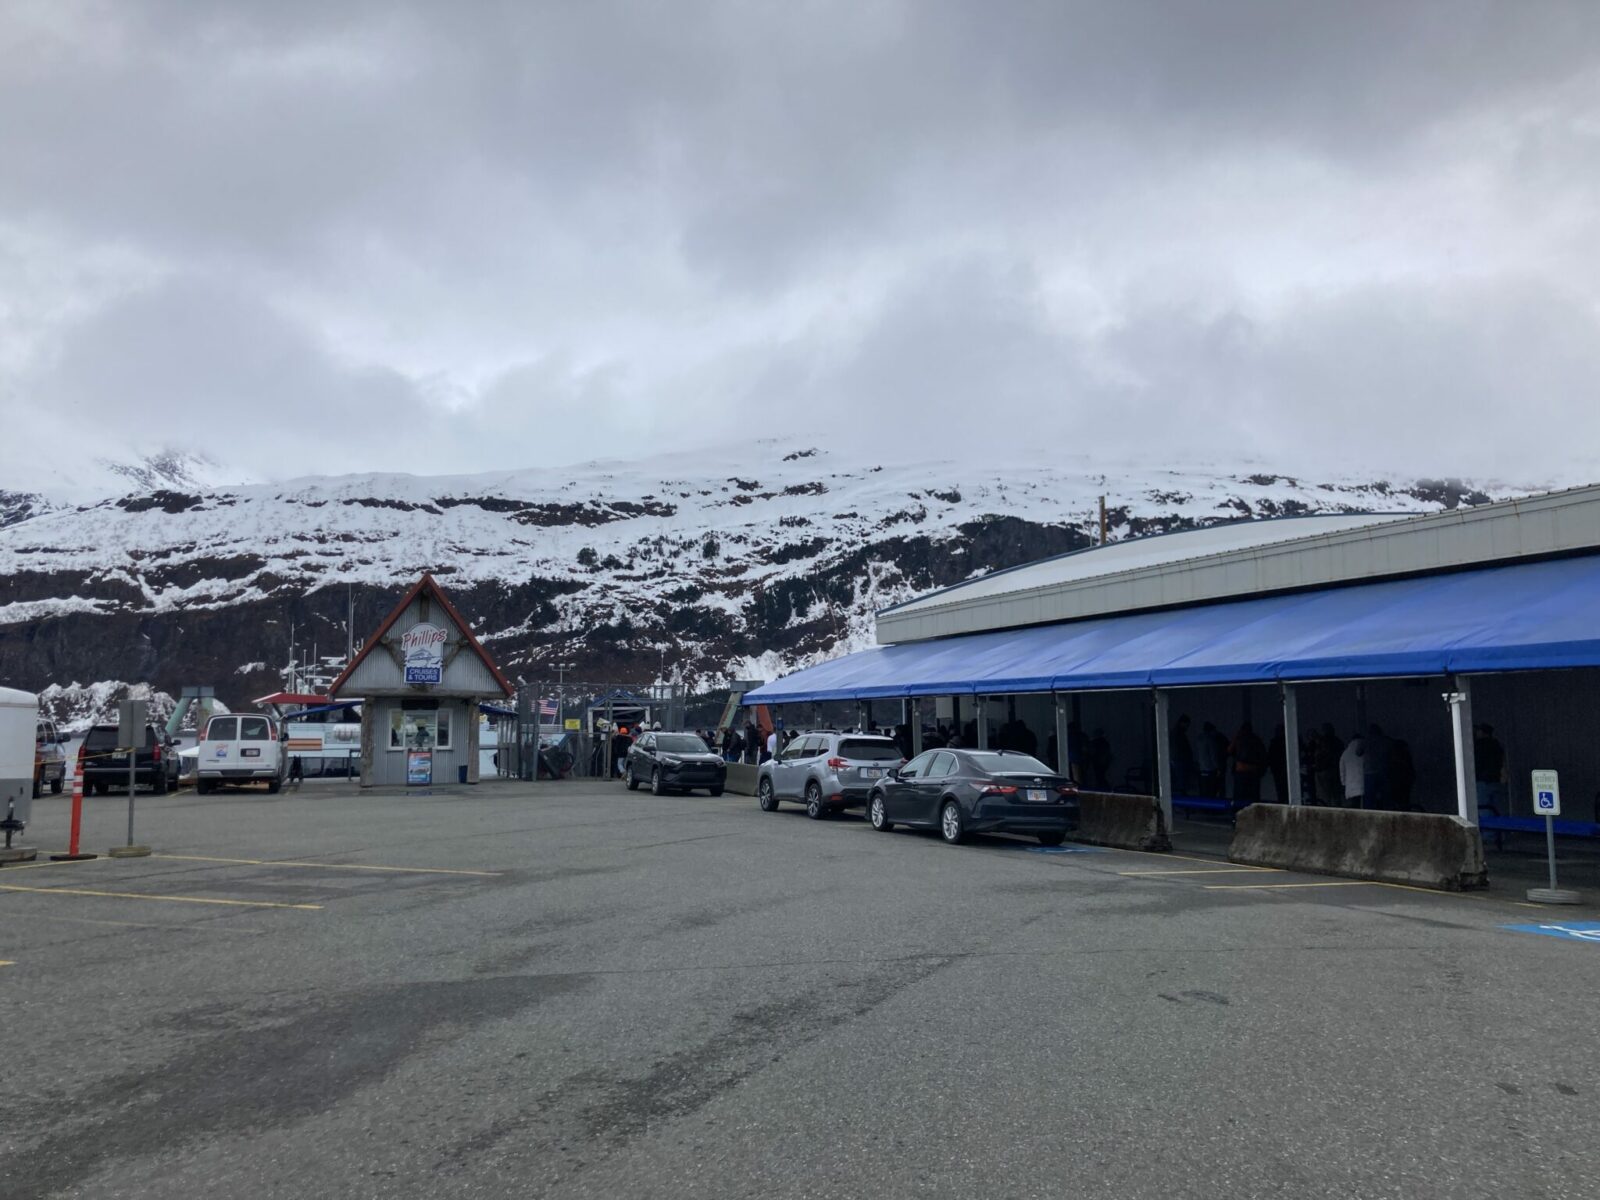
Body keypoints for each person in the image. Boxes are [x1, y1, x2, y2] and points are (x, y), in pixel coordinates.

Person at [1229, 721, 1267, 804]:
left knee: (1240, 795)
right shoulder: (1256, 740)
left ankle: (1239, 811)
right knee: (1252, 796)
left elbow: (1229, 751)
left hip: (1242, 770)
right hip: (1252, 770)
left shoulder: (1240, 739)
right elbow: (1262, 755)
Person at [1474, 723, 1507, 816]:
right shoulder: (1497, 745)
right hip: (1496, 781)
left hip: (1483, 782)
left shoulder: (1478, 746)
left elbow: (1477, 763)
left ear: (1482, 732)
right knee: (1497, 810)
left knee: (1483, 809)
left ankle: (1488, 831)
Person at [1313, 724, 1344, 805]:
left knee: (1325, 795)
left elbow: (1320, 755)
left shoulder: (1323, 741)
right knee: (1336, 794)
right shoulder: (1338, 741)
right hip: (1335, 770)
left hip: (1325, 770)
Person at [1363, 723, 1392, 809]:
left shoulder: (1366, 741)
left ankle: (1369, 814)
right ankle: (1384, 811)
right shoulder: (1384, 741)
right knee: (1383, 795)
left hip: (1369, 772)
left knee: (1369, 797)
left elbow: (1358, 752)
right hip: (1382, 771)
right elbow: (1389, 752)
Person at [1387, 737, 1416, 811]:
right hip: (1403, 781)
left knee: (1399, 800)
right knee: (1403, 800)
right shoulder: (1405, 756)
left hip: (1399, 781)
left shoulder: (1394, 756)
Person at [1171, 714, 1195, 795]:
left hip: (1178, 760)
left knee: (1179, 782)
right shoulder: (1178, 734)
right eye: (1187, 725)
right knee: (1180, 783)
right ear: (1182, 723)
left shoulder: (1176, 733)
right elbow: (1182, 748)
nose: (1187, 727)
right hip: (1179, 760)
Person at [1196, 721, 1221, 797]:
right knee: (1211, 792)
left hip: (1201, 769)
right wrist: (1218, 768)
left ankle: (1203, 808)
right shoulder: (1211, 740)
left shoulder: (1199, 739)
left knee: (1203, 792)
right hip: (1210, 770)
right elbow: (1213, 756)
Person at [1339, 735, 1366, 807]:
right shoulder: (1365, 750)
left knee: (1354, 807)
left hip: (1350, 786)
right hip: (1365, 784)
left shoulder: (1345, 753)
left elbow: (1342, 770)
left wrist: (1344, 783)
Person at [1268, 723, 1288, 803]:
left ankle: (1283, 801)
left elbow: (1271, 755)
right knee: (1283, 788)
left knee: (1281, 788)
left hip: (1279, 768)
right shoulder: (1286, 741)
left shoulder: (1275, 742)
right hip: (1281, 768)